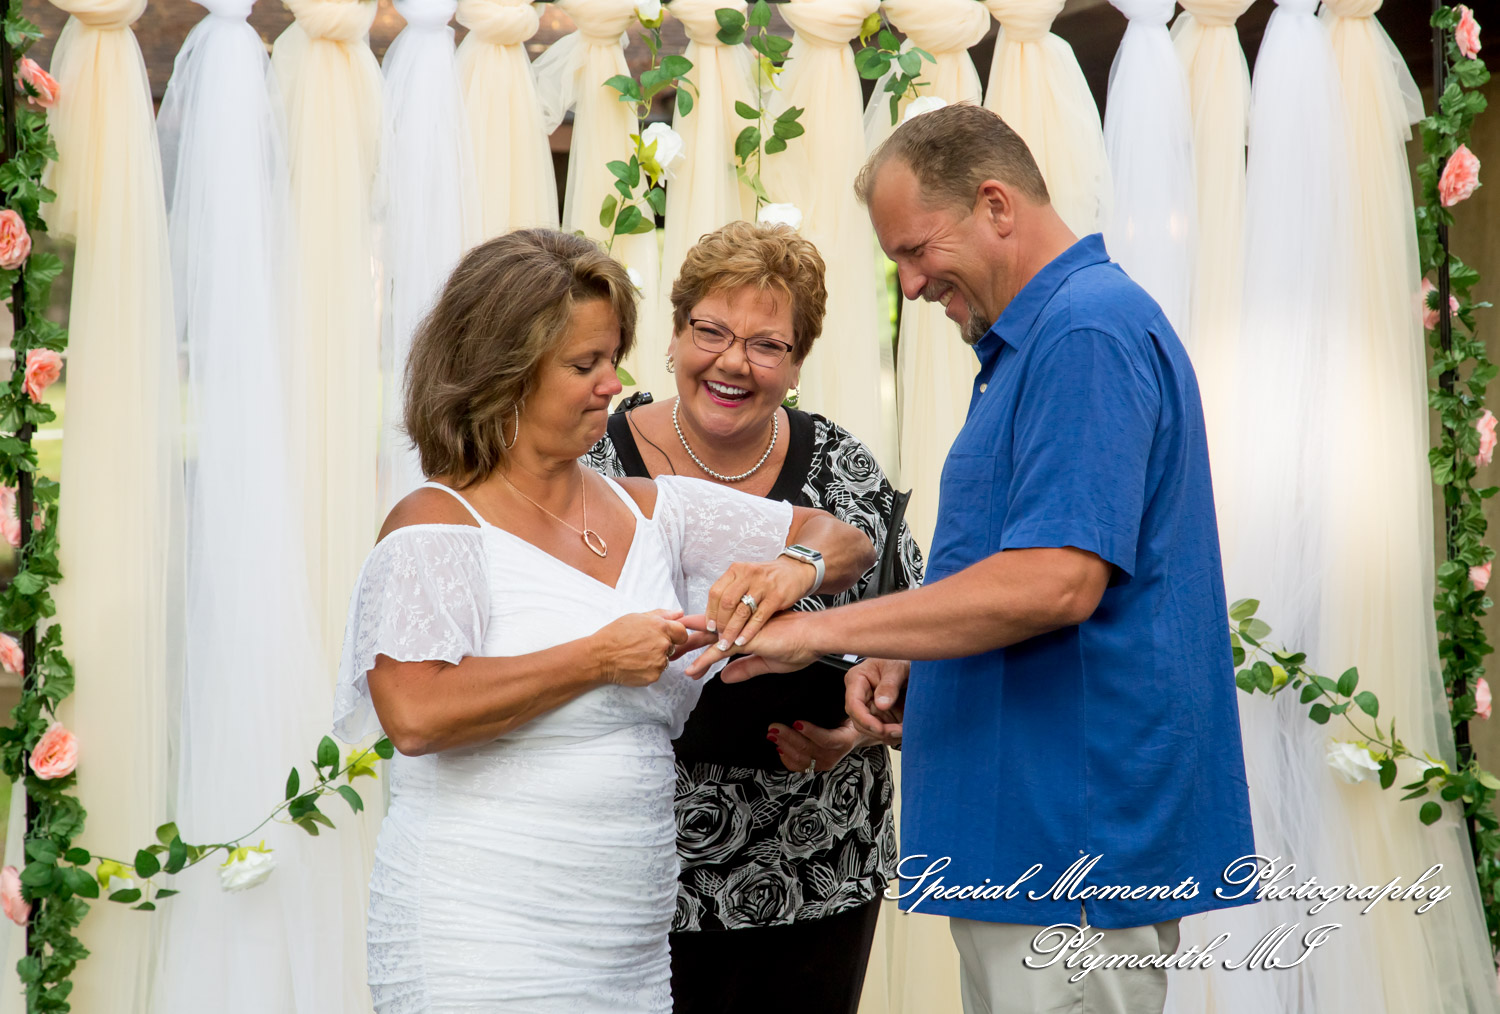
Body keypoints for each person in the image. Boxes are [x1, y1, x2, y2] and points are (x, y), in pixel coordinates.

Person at [686, 104, 1256, 1014]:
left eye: (916, 250)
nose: (909, 284)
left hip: (1067, 835)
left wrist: (810, 632)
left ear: (996, 204)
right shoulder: (1047, 340)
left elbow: (1056, 580)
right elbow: (1022, 573)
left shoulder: (1083, 334)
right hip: (1030, 825)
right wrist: (916, 653)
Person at [331, 228, 874, 1013]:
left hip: (625, 932)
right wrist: (595, 658)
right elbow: (415, 715)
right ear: (504, 373)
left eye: (613, 358)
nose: (612, 384)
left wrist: (794, 570)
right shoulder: (437, 522)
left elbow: (845, 539)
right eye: (584, 365)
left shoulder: (657, 509)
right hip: (477, 930)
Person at [582, 220, 924, 1014]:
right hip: (629, 858)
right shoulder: (589, 458)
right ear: (672, 335)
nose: (733, 361)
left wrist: (856, 730)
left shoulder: (842, 466)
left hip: (817, 861)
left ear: (797, 362)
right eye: (712, 331)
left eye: (767, 345)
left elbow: (918, 629)